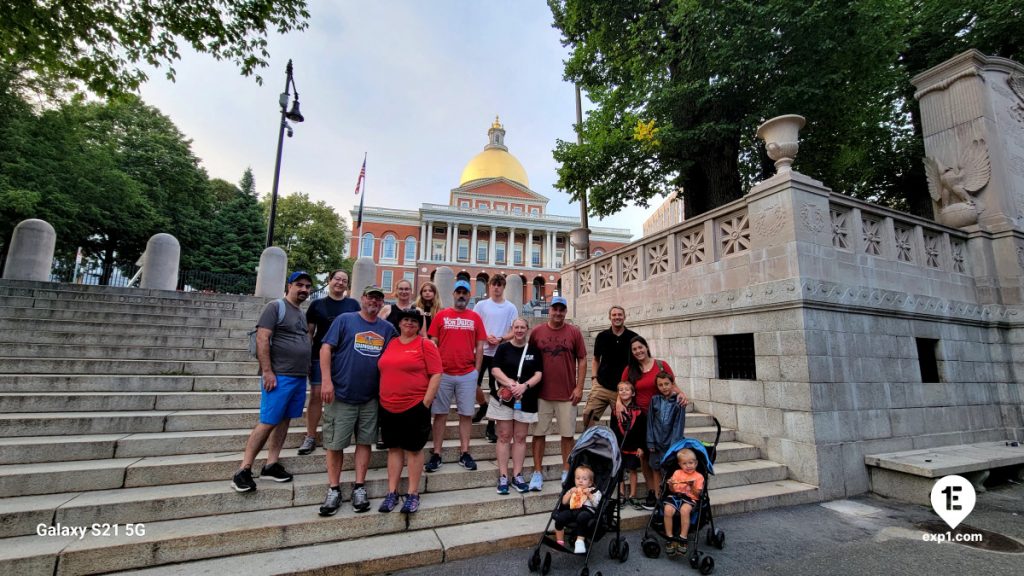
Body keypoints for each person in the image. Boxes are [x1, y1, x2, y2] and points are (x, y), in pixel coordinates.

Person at [317, 285, 397, 516]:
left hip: (370, 397)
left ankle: (359, 486)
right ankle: (333, 488)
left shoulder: (387, 328)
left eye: (378, 299)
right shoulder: (345, 320)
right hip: (341, 393)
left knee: (365, 442)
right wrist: (326, 381)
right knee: (335, 444)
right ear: (362, 298)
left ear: (382, 303)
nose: (374, 301)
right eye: (370, 297)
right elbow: (325, 348)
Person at [231, 271, 312, 492]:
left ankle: (271, 463)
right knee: (268, 420)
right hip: (279, 375)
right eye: (299, 285)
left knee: (284, 420)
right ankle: (244, 469)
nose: (304, 289)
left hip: (297, 377)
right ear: (289, 286)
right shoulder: (276, 307)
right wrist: (267, 371)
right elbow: (262, 337)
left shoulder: (300, 313)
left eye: (307, 286)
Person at [376, 308, 442, 514]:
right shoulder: (391, 343)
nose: (409, 323)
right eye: (405, 319)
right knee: (394, 449)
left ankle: (413, 493)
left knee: (413, 450)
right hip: (388, 405)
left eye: (414, 321)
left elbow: (436, 373)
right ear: (399, 322)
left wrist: (426, 402)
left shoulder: (425, 345)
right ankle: (392, 492)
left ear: (419, 324)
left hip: (414, 405)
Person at [616, 335, 688, 509]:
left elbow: (672, 385)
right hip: (640, 418)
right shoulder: (630, 369)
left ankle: (667, 490)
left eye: (640, 347)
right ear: (632, 353)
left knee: (664, 455)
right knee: (646, 457)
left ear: (646, 347)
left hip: (662, 417)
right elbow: (622, 388)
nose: (638, 351)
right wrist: (618, 402)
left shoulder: (661, 365)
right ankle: (651, 492)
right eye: (634, 349)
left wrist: (682, 394)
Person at [424, 279, 487, 473]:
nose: (461, 295)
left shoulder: (475, 317)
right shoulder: (441, 316)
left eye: (464, 293)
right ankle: (436, 453)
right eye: (458, 292)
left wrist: (476, 370)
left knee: (466, 414)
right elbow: (432, 342)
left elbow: (479, 345)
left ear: (469, 296)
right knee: (440, 414)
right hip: (443, 373)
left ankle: (465, 452)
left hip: (467, 373)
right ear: (453, 294)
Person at [528, 295, 587, 491]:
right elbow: (528, 359)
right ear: (549, 310)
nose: (558, 312)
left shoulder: (574, 332)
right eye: (555, 309)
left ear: (565, 312)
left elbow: (583, 359)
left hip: (567, 394)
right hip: (541, 394)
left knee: (567, 435)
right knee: (538, 434)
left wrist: (579, 387)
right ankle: (537, 472)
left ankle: (566, 471)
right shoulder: (537, 332)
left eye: (562, 309)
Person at [301, 269, 360, 455]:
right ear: (329, 280)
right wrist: (308, 358)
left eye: (344, 280)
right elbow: (309, 333)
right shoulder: (317, 305)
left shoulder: (353, 304)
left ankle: (334, 435)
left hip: (344, 358)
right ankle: (310, 436)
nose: (340, 282)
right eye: (337, 279)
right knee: (317, 394)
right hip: (320, 355)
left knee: (340, 397)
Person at [488, 317, 542, 495]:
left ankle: (517, 474)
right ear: (512, 328)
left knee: (520, 437)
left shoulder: (533, 350)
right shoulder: (503, 348)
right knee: (504, 436)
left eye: (522, 327)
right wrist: (511, 384)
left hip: (525, 398)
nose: (519, 330)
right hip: (505, 398)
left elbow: (538, 374)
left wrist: (524, 386)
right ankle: (503, 475)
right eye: (516, 327)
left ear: (528, 329)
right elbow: (495, 369)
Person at [472, 274, 519, 443]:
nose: (496, 288)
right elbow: (474, 325)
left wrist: (501, 339)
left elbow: (514, 330)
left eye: (499, 285)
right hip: (481, 351)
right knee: (472, 383)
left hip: (500, 353)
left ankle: (491, 425)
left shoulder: (510, 307)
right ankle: (483, 406)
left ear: (503, 287)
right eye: (494, 284)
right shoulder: (481, 305)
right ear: (489, 286)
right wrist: (485, 337)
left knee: (496, 388)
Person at [582, 305, 638, 428]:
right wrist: (594, 379)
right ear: (609, 317)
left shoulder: (633, 337)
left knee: (623, 423)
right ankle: (594, 441)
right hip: (602, 386)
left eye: (620, 315)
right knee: (587, 415)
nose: (617, 317)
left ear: (624, 317)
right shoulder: (602, 336)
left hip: (622, 388)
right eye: (614, 315)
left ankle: (620, 446)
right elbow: (596, 359)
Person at [647, 371, 687, 504]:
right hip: (656, 442)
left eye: (666, 384)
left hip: (670, 443)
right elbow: (650, 422)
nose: (664, 387)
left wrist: (674, 446)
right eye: (660, 385)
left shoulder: (678, 402)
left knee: (670, 471)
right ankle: (659, 498)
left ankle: (670, 497)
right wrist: (650, 441)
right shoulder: (655, 400)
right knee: (656, 468)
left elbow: (678, 425)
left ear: (672, 384)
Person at [663, 447, 704, 557]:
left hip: (690, 498)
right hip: (676, 496)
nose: (688, 466)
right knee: (667, 509)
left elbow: (697, 495)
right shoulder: (677, 473)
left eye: (691, 463)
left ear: (696, 463)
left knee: (684, 510)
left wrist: (692, 486)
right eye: (684, 463)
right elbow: (672, 490)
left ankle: (683, 538)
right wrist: (670, 484)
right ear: (680, 465)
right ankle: (669, 537)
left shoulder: (698, 477)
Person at [552, 464, 602, 554]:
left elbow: (597, 504)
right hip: (573, 510)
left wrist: (589, 495)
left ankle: (580, 542)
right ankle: (559, 541)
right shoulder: (573, 490)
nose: (580, 481)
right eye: (578, 478)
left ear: (590, 483)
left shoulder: (594, 491)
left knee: (582, 517)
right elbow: (564, 502)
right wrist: (570, 493)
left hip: (587, 512)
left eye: (584, 479)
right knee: (559, 517)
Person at [612, 380, 646, 509]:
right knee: (619, 471)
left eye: (627, 389)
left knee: (632, 470)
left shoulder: (639, 411)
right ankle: (621, 494)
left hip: (634, 446)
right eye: (621, 389)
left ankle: (632, 495)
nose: (624, 391)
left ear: (633, 393)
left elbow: (642, 431)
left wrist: (641, 447)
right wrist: (614, 446)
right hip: (620, 446)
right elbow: (613, 429)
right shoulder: (615, 411)